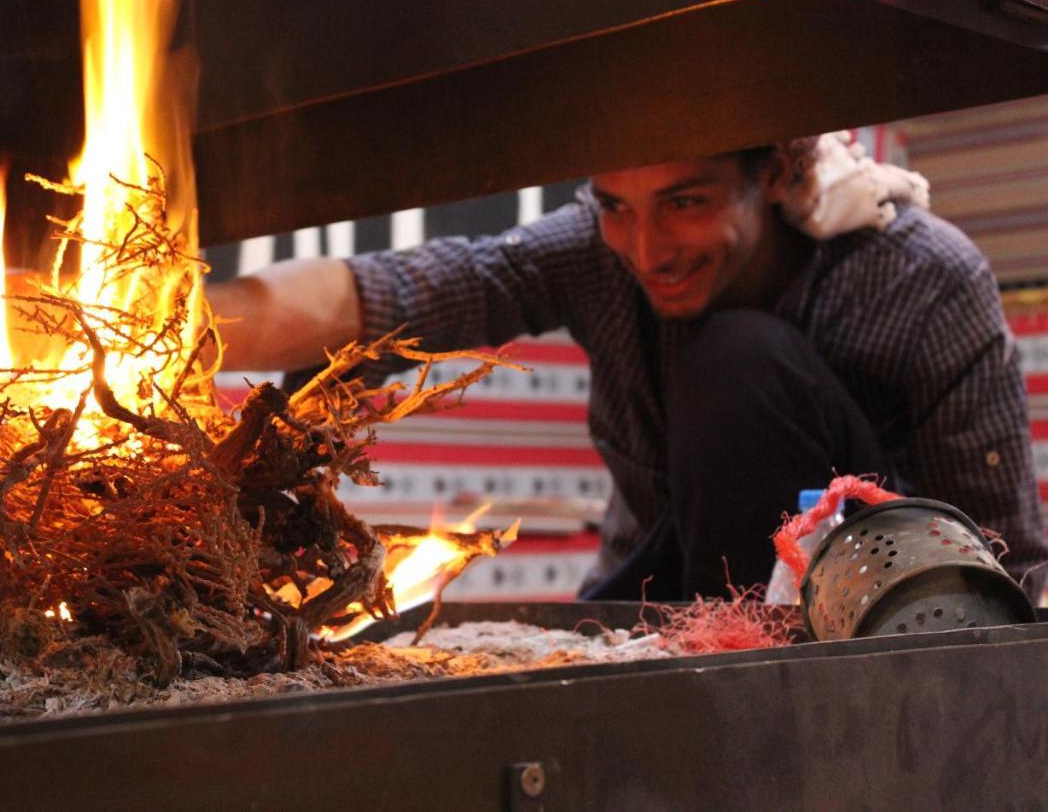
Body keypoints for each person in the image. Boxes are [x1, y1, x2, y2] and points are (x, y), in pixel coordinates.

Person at [206, 134, 1048, 600]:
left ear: (780, 170)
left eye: (686, 202)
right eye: (615, 207)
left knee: (737, 361)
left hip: (869, 628)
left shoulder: (921, 278)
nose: (647, 250)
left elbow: (1002, 553)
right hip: (659, 600)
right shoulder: (598, 255)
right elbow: (406, 289)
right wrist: (177, 322)